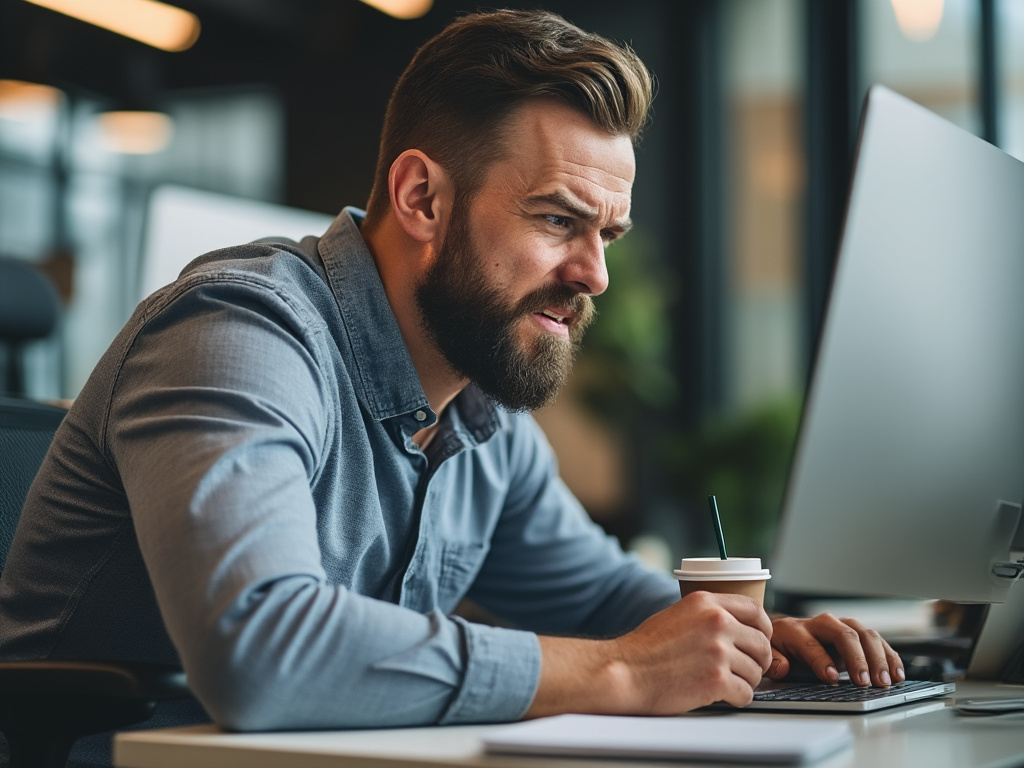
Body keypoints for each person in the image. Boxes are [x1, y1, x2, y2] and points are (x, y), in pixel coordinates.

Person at [0, 9, 903, 736]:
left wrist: (756, 641)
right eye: (558, 220)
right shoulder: (241, 330)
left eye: (607, 235)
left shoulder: (480, 407)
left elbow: (596, 593)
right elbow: (258, 648)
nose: (595, 274)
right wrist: (624, 670)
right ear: (423, 197)